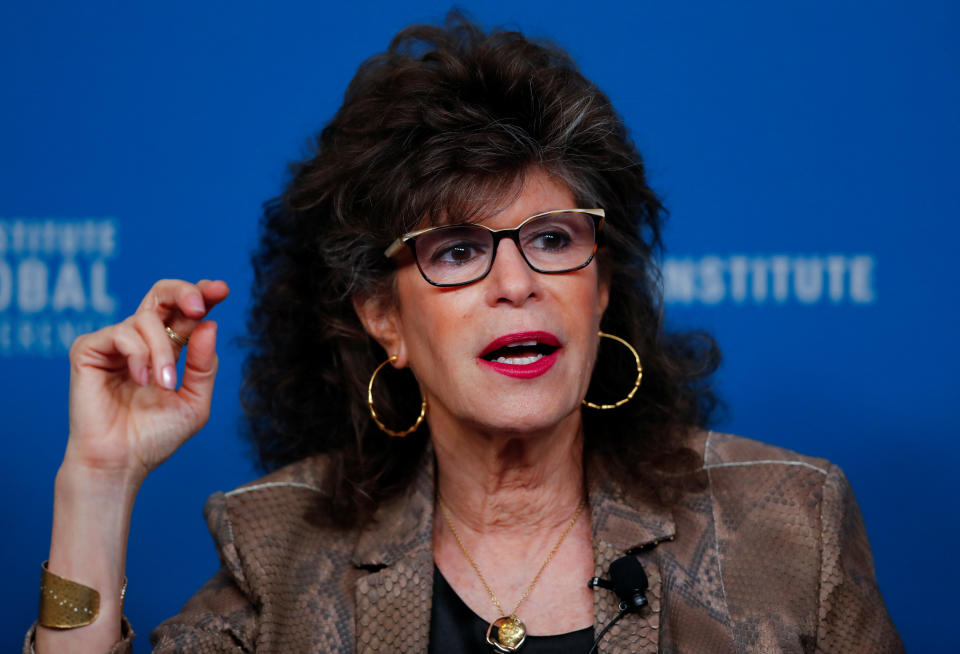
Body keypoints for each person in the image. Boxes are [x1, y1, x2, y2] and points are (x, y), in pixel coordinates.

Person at [28, 13, 903, 654]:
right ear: (383, 317)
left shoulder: (792, 524)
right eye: (456, 250)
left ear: (601, 288)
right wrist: (97, 485)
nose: (516, 282)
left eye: (554, 239)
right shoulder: (279, 548)